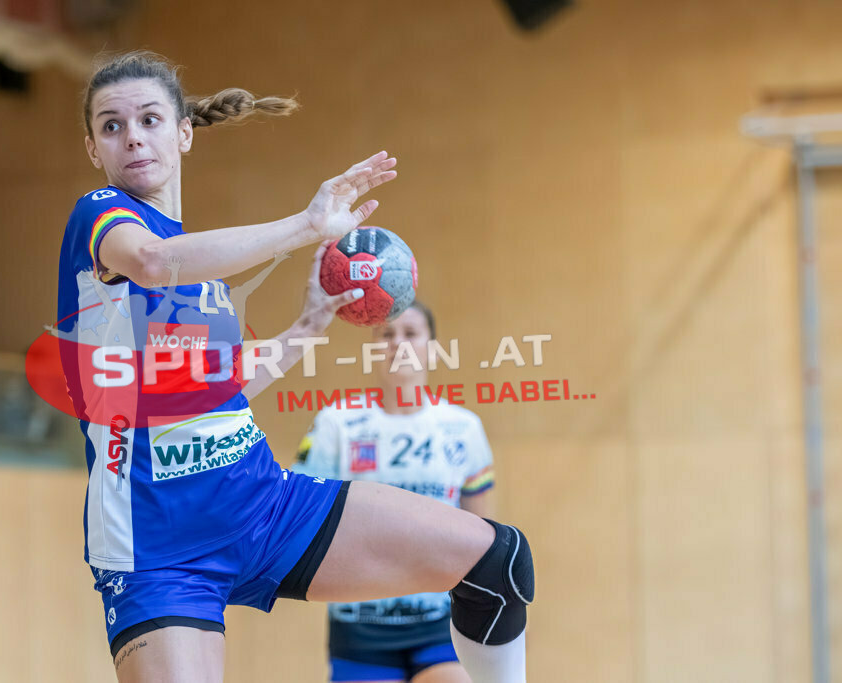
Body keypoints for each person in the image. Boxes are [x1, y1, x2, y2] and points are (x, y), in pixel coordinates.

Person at [58, 51, 533, 683]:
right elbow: (152, 260)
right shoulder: (102, 220)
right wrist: (306, 226)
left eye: (149, 119)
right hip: (157, 546)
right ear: (93, 148)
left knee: (497, 560)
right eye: (111, 126)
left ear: (184, 132)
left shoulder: (205, 283)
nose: (133, 137)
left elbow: (218, 389)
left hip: (262, 503)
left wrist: (306, 328)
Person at [293, 301, 495, 683]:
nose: (397, 344)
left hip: (442, 621)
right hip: (360, 622)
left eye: (410, 334)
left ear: (433, 349)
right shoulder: (337, 424)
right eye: (386, 334)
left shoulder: (463, 428)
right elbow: (303, 517)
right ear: (371, 348)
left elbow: (483, 534)